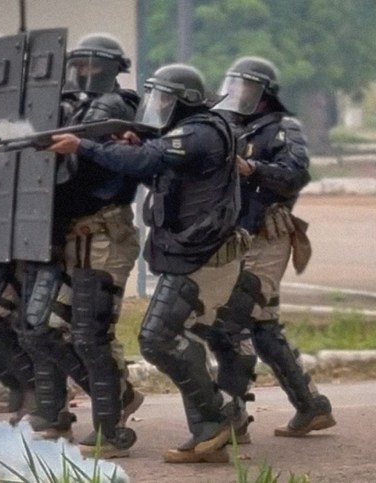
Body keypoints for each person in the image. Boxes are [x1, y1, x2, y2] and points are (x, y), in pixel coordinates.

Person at [48, 63, 249, 463]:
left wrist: (84, 147)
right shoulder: (188, 133)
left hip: (204, 256)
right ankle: (216, 425)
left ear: (185, 102)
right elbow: (154, 165)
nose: (156, 106)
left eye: (164, 99)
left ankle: (217, 419)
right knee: (171, 336)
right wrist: (132, 143)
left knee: (160, 338)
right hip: (194, 253)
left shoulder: (201, 132)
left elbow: (146, 163)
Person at [16, 33, 144, 458]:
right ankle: (104, 400)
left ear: (112, 67)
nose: (85, 71)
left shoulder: (120, 108)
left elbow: (99, 170)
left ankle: (111, 427)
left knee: (91, 334)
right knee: (40, 329)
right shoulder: (72, 108)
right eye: (80, 63)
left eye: (94, 64)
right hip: (68, 237)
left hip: (104, 236)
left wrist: (81, 146)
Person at [211, 56, 335, 438]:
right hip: (236, 238)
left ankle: (230, 416)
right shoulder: (227, 125)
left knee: (231, 322)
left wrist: (254, 169)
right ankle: (311, 405)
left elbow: (296, 174)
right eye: (234, 84)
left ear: (264, 93)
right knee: (262, 327)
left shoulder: (284, 128)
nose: (236, 93)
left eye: (245, 86)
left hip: (268, 237)